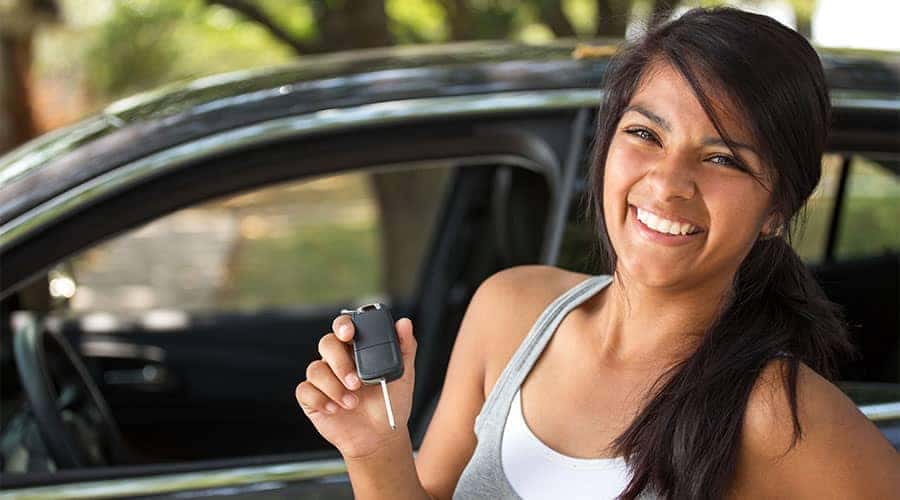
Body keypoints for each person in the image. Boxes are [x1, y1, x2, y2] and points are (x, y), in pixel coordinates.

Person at [294, 6, 900, 499]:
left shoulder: (777, 414)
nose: (668, 183)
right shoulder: (510, 310)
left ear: (776, 210)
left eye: (722, 159)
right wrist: (375, 451)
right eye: (645, 134)